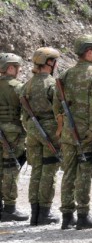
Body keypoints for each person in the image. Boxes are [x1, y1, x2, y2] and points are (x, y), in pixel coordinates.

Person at [55, 35, 92, 230]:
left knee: (68, 172)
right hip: (87, 134)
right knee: (84, 173)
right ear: (89, 52)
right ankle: (83, 215)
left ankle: (67, 216)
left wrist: (63, 128)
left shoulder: (65, 75)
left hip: (68, 133)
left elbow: (57, 106)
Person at [21, 47, 61, 225]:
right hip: (50, 130)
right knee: (49, 170)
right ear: (49, 63)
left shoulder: (27, 85)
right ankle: (45, 213)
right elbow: (59, 111)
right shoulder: (52, 84)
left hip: (32, 130)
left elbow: (24, 114)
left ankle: (35, 214)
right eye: (55, 62)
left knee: (36, 170)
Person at [0, 53, 28, 222]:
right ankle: (10, 208)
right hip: (12, 133)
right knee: (11, 168)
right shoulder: (18, 87)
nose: (20, 70)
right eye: (18, 67)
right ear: (10, 68)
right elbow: (27, 113)